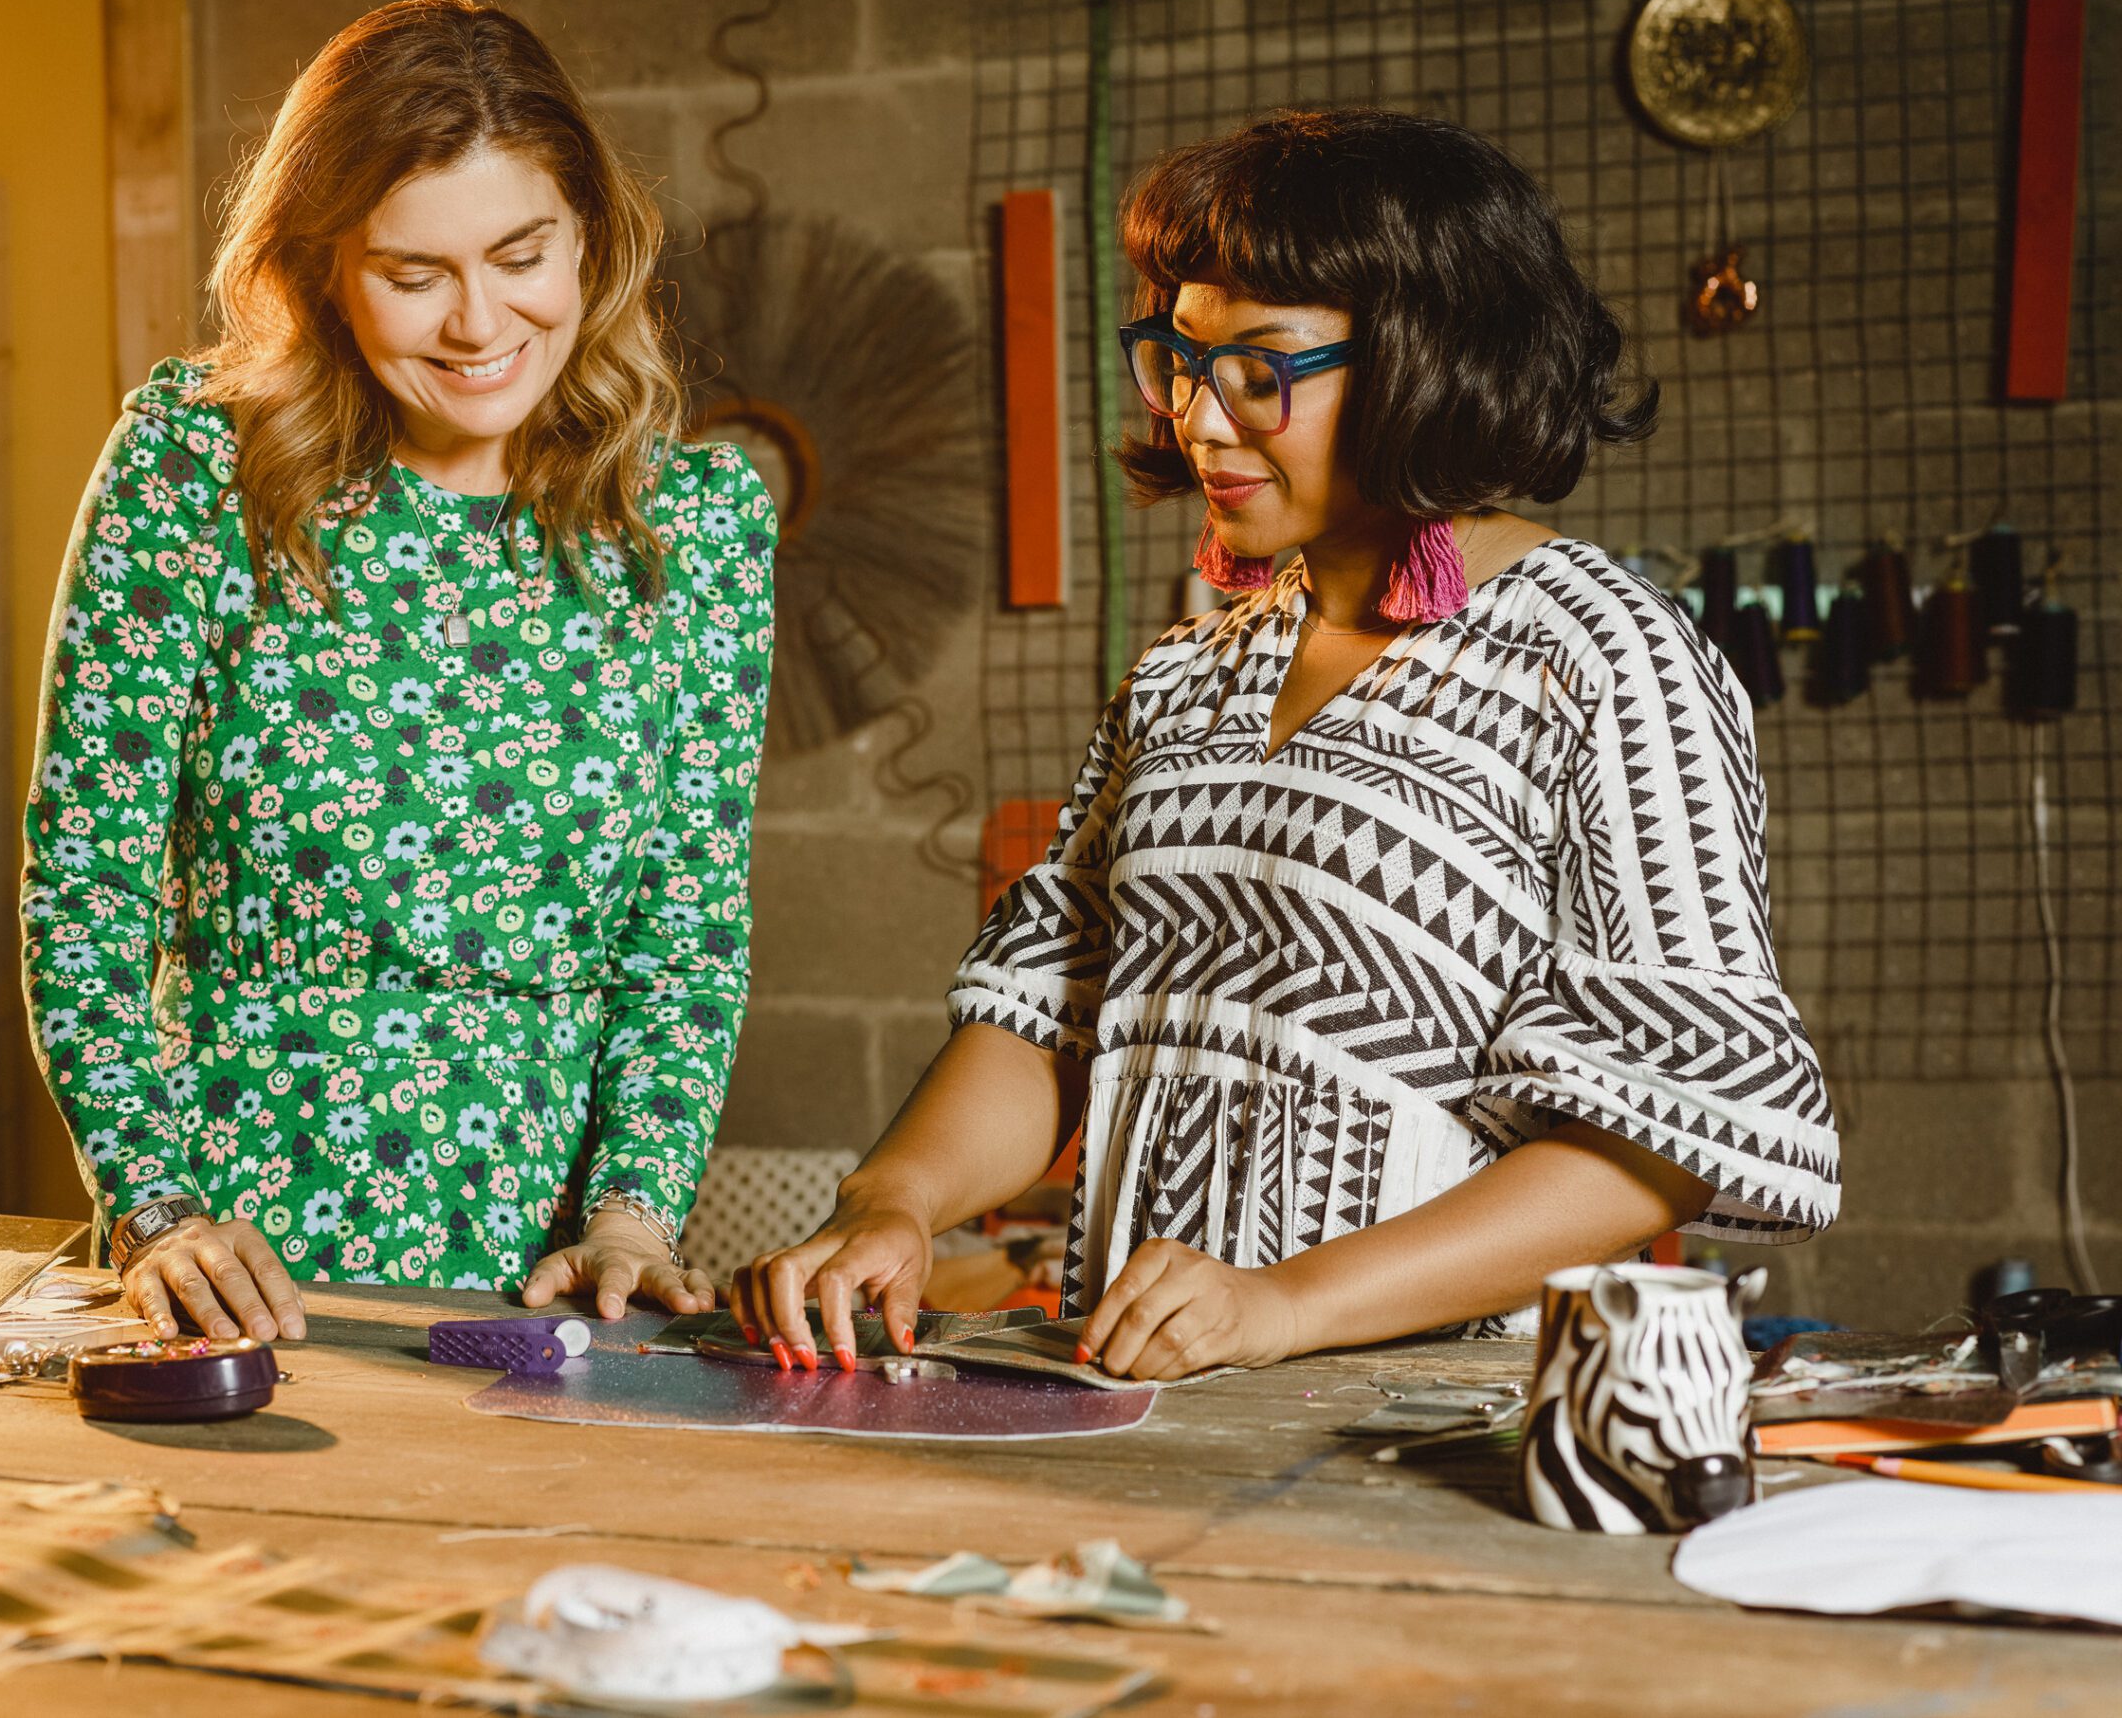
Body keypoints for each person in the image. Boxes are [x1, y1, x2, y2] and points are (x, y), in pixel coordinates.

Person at [735, 108, 1838, 1379]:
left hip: (1411, 1425)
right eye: (1179, 362)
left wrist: (1288, 1305)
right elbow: (1050, 1013)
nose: (1199, 421)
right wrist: (893, 1201)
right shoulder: (1190, 672)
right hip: (1144, 1389)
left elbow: (1668, 1133)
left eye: (1261, 370)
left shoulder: (1596, 655)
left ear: (1430, 357)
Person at [22, 0, 776, 1343]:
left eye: (520, 253)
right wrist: (157, 1209)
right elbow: (85, 896)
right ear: (325, 271)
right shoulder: (193, 472)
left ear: (590, 236)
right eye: (413, 273)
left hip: (547, 1288)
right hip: (233, 1275)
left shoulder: (701, 527)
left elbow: (687, 934)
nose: (478, 321)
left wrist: (637, 1211)